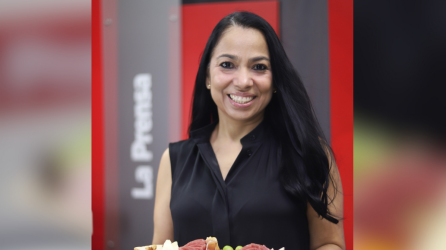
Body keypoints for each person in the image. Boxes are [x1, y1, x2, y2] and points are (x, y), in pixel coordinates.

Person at [153, 12, 345, 250]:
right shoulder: (173, 161)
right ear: (207, 76)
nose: (243, 81)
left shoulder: (310, 154)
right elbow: (160, 246)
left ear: (275, 81)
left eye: (259, 67)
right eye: (227, 65)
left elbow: (329, 243)